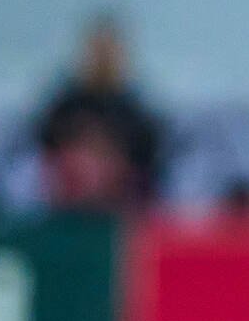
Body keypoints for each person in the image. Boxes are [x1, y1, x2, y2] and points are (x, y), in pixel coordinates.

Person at [35, 18, 163, 211]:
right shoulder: (64, 109)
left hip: (120, 213)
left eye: (109, 52)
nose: (103, 59)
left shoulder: (136, 113)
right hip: (64, 212)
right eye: (98, 51)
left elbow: (150, 170)